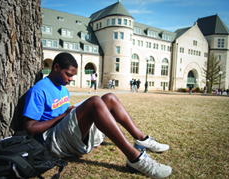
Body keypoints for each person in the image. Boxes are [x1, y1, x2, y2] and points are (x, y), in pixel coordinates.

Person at [23, 52, 172, 178]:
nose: (71, 79)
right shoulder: (39, 90)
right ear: (56, 68)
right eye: (68, 74)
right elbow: (30, 128)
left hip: (66, 133)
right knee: (94, 102)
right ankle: (135, 158)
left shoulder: (63, 88)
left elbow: (64, 115)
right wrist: (62, 117)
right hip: (51, 140)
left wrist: (68, 113)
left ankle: (141, 139)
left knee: (109, 98)